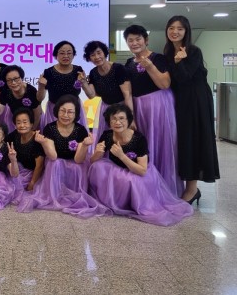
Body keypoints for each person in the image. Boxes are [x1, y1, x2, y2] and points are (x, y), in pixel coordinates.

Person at [88, 104, 193, 225]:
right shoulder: (107, 135)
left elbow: (142, 171)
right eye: (114, 119)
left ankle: (130, 204)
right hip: (116, 171)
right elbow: (93, 161)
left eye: (121, 118)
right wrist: (97, 153)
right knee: (97, 166)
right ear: (109, 122)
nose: (118, 122)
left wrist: (122, 156)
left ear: (128, 120)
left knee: (132, 180)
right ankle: (110, 201)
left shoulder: (138, 139)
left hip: (137, 172)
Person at [17, 95, 110, 218]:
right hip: (56, 159)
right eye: (63, 111)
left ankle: (74, 195)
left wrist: (85, 145)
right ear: (57, 111)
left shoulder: (80, 130)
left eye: (70, 112)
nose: (66, 115)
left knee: (79, 167)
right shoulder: (50, 128)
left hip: (75, 160)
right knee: (54, 164)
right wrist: (44, 143)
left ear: (76, 114)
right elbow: (53, 156)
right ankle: (54, 194)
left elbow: (78, 159)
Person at [164, 15, 220, 203]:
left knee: (192, 141)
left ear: (186, 31)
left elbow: (185, 78)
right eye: (171, 28)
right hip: (180, 101)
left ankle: (192, 189)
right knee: (181, 142)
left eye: (180, 28)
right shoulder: (167, 52)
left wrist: (179, 62)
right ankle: (183, 186)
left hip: (196, 102)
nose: (175, 32)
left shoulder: (193, 51)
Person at [123, 24, 183, 197]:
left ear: (146, 40)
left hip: (158, 105)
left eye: (138, 39)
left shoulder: (159, 58)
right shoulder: (129, 63)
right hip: (138, 108)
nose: (134, 43)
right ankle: (146, 188)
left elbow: (164, 84)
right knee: (144, 145)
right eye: (130, 40)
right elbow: (128, 91)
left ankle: (164, 189)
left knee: (161, 144)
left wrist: (149, 66)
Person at [79, 40, 133, 139]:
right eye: (92, 55)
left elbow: (127, 95)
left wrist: (130, 117)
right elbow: (91, 95)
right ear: (89, 58)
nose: (97, 57)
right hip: (106, 109)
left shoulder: (118, 68)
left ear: (104, 53)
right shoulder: (93, 73)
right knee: (106, 138)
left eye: (99, 53)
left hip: (122, 108)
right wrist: (83, 82)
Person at [37, 40, 88, 130]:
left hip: (73, 110)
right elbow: (39, 99)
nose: (66, 56)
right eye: (62, 53)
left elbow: (89, 93)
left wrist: (84, 82)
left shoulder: (78, 70)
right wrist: (41, 87)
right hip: (54, 111)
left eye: (69, 53)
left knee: (76, 136)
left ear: (73, 55)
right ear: (56, 55)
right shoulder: (48, 72)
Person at [4, 107, 48, 195]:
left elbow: (39, 166)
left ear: (31, 124)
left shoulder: (37, 139)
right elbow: (2, 142)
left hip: (33, 174)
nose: (22, 125)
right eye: (18, 122)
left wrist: (32, 183)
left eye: (25, 122)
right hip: (19, 170)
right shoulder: (15, 134)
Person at [0, 65, 42, 133]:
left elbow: (38, 113)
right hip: (15, 120)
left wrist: (32, 129)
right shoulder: (6, 91)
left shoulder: (31, 91)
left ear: (21, 78)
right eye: (9, 80)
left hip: (33, 120)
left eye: (16, 79)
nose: (13, 83)